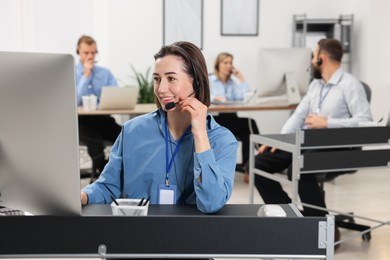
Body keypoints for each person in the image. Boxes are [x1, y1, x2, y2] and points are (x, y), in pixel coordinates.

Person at [81, 41, 238, 214]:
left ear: (197, 83)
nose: (161, 89)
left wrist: (200, 134)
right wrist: (83, 196)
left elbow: (212, 203)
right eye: (157, 79)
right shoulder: (132, 131)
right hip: (140, 233)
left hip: (191, 235)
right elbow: (107, 187)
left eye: (171, 78)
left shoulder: (222, 140)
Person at [251, 38, 372, 218]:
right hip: (308, 143)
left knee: (300, 168)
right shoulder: (316, 85)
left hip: (337, 145)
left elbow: (366, 121)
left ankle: (319, 227)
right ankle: (290, 218)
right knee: (258, 163)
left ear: (321, 59)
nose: (311, 61)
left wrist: (328, 123)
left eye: (313, 56)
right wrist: (282, 140)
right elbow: (299, 115)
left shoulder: (349, 84)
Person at [76, 35, 121, 178]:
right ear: (78, 52)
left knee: (125, 136)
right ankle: (100, 180)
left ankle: (114, 170)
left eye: (93, 53)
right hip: (82, 122)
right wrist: (86, 75)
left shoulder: (105, 73)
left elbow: (115, 95)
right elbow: (75, 100)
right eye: (86, 53)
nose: (90, 56)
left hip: (103, 119)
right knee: (96, 145)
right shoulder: (72, 73)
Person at [209, 52, 259, 180]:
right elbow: (200, 95)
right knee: (249, 124)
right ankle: (261, 150)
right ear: (218, 65)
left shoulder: (232, 83)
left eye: (230, 63)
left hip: (231, 119)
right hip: (216, 120)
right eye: (225, 63)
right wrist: (215, 98)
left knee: (249, 125)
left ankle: (248, 167)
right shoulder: (210, 80)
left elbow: (247, 98)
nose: (228, 66)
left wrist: (241, 78)